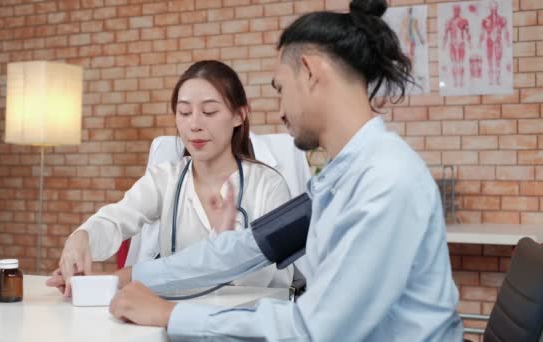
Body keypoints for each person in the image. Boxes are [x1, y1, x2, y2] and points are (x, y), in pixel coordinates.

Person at [113, 1, 464, 341]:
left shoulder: (384, 180)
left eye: (280, 89)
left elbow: (315, 330)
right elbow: (245, 248)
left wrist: (171, 315)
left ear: (310, 72)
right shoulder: (340, 178)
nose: (279, 111)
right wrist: (133, 276)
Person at [46, 60, 295, 295]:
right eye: (184, 113)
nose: (194, 125)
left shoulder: (269, 186)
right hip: (175, 319)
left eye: (209, 112)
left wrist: (226, 242)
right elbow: (116, 219)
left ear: (239, 115)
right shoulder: (165, 179)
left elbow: (261, 278)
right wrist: (82, 237)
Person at [479, 0, 510, 86]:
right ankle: (491, 80)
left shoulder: (502, 19)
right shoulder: (485, 20)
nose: (493, 10)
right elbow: (482, 32)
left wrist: (508, 42)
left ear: (497, 8)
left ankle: (498, 79)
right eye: (492, 8)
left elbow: (506, 31)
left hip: (498, 42)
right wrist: (480, 43)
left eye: (495, 8)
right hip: (489, 42)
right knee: (489, 61)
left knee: (497, 61)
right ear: (489, 8)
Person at [442, 4, 472, 87]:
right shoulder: (449, 22)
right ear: (453, 10)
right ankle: (455, 82)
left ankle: (461, 82)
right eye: (455, 10)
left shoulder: (464, 21)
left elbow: (468, 33)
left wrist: (470, 44)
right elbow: (445, 35)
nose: (456, 11)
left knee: (461, 64)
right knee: (454, 64)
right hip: (452, 44)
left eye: (458, 10)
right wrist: (443, 46)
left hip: (461, 43)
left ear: (459, 10)